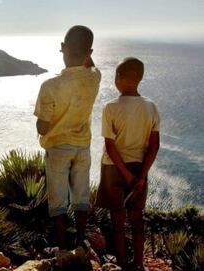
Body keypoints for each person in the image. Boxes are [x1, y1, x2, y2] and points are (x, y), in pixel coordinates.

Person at [34, 25, 101, 249]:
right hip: (83, 147)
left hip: (58, 149)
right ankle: (80, 242)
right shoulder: (94, 78)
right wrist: (87, 57)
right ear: (89, 53)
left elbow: (42, 128)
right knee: (81, 197)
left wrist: (42, 124)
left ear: (62, 48)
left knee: (58, 200)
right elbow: (91, 67)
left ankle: (63, 247)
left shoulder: (50, 86)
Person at [95, 57, 160, 270]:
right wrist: (140, 176)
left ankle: (122, 264)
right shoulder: (151, 107)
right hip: (139, 167)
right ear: (139, 79)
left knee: (117, 219)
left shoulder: (110, 107)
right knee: (136, 218)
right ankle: (139, 264)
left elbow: (110, 147)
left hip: (115, 169)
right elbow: (154, 146)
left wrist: (126, 174)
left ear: (119, 79)